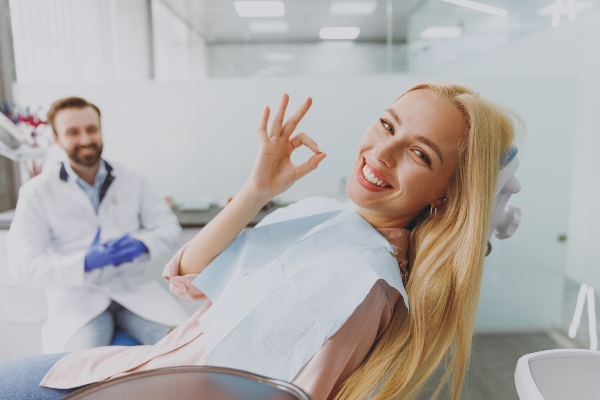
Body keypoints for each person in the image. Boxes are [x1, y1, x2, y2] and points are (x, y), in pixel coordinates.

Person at [0, 82, 517, 400]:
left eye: (420, 154)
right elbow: (190, 276)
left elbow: (283, 392)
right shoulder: (331, 215)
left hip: (151, 381)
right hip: (146, 362)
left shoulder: (365, 281)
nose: (382, 153)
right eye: (386, 125)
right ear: (57, 139)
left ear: (447, 193)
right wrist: (256, 191)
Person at [5, 97, 189, 354]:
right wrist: (83, 262)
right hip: (78, 300)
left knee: (190, 348)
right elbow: (23, 266)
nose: (85, 139)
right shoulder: (37, 193)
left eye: (91, 129)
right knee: (77, 370)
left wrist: (142, 244)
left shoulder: (132, 179)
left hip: (134, 290)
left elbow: (169, 228)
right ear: (56, 139)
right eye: (73, 132)